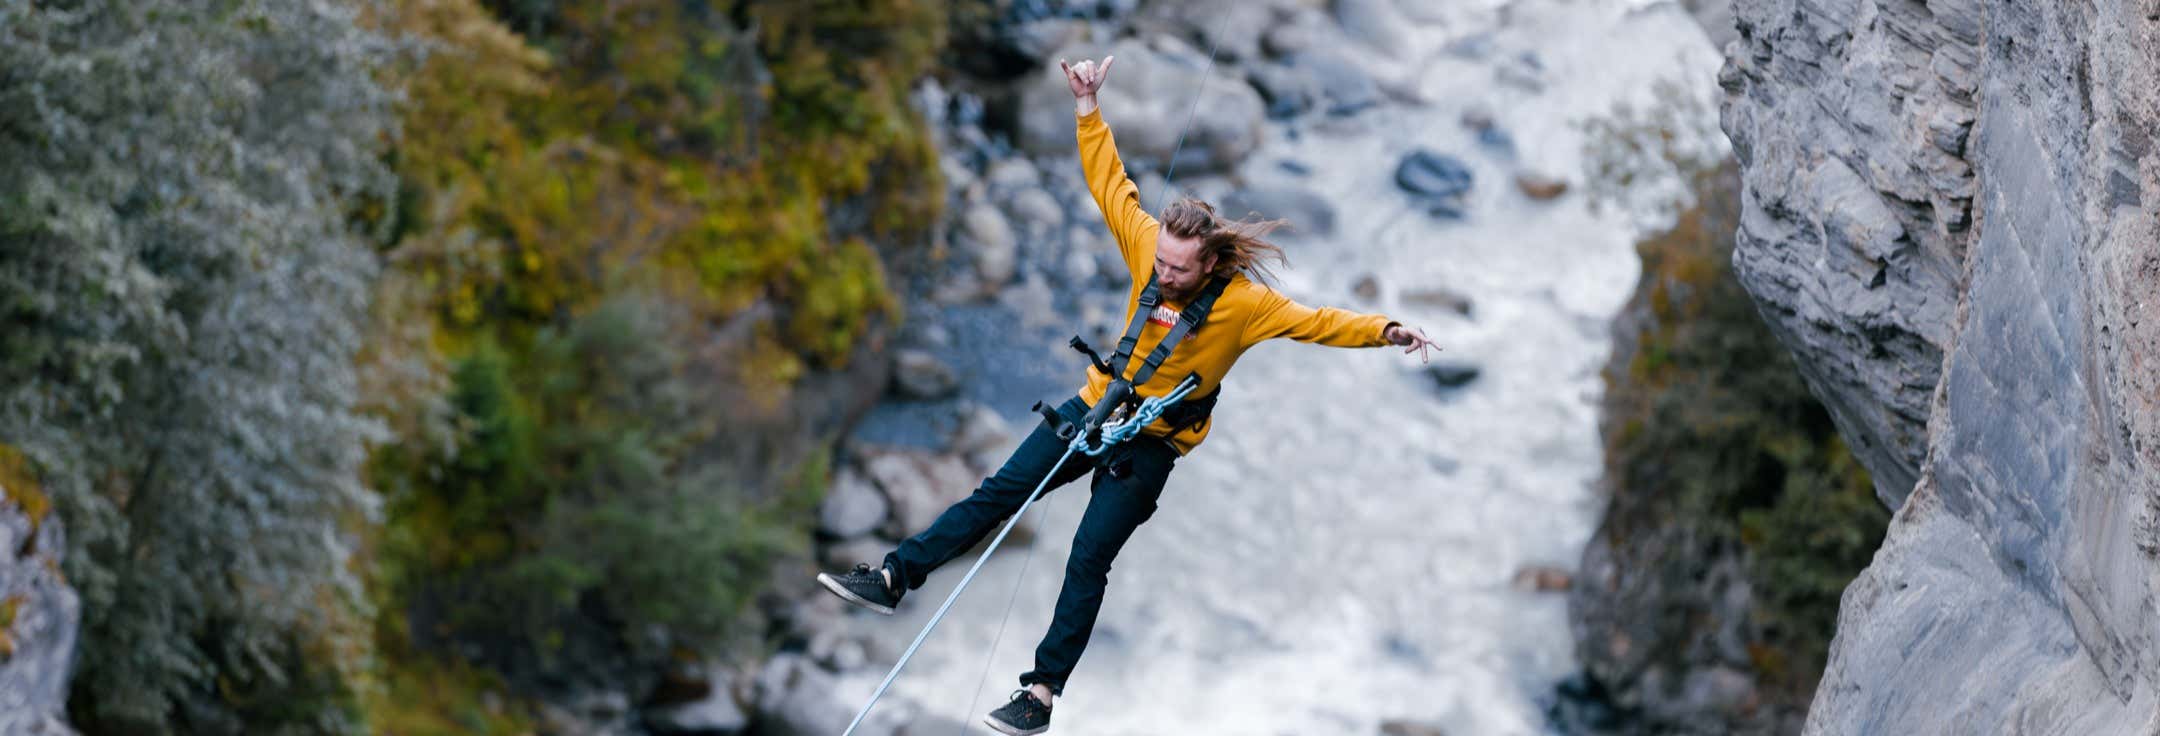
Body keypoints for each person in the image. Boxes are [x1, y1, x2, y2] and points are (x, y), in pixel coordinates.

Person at [817, 54, 1440, 736]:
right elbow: (1108, 182)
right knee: (996, 494)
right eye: (1162, 263)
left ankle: (1041, 694)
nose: (1166, 273)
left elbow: (1318, 322)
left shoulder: (1246, 306)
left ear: (1210, 263)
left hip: (1152, 442)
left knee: (1089, 554)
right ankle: (893, 578)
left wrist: (1386, 329)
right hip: (1094, 406)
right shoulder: (1147, 244)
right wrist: (1087, 106)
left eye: (1179, 268)